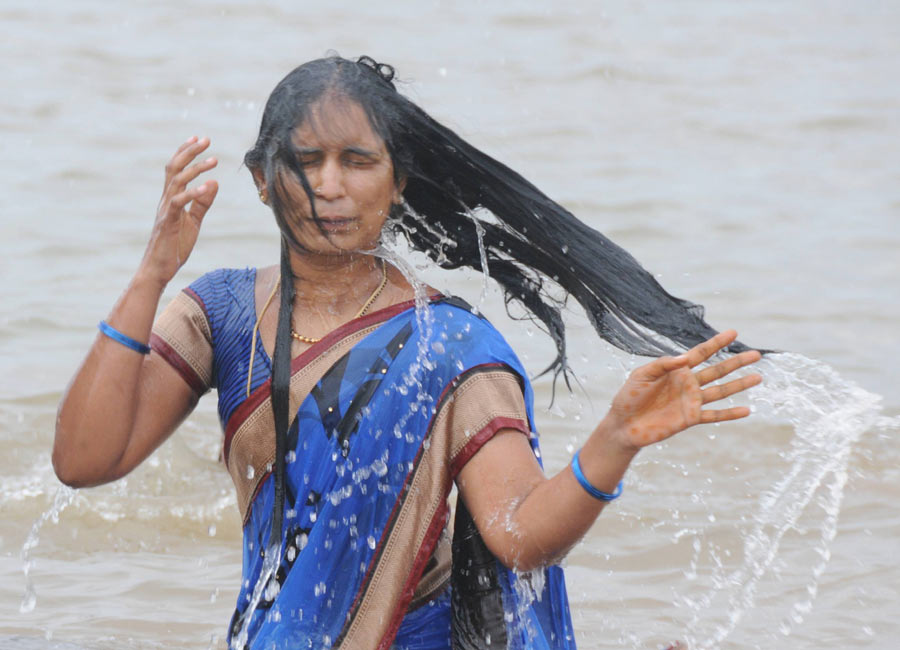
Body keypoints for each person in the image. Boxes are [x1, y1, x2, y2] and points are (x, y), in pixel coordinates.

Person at [53, 56, 762, 649]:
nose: (329, 186)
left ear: (398, 181)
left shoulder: (452, 347)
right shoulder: (223, 313)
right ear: (262, 179)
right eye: (306, 160)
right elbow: (85, 461)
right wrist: (153, 270)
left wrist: (614, 441)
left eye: (357, 161)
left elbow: (517, 536)